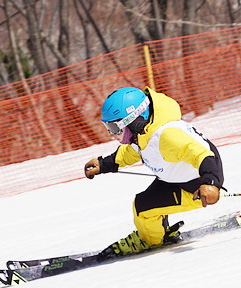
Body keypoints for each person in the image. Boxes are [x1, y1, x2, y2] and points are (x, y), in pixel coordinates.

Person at [84, 86, 224, 260]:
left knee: (143, 208)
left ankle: (151, 240)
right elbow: (132, 152)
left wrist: (210, 183)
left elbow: (202, 155)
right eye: (108, 127)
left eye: (114, 128)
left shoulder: (166, 136)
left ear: (134, 120)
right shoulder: (143, 133)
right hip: (175, 177)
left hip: (196, 189)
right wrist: (104, 164)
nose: (112, 134)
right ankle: (158, 231)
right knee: (143, 203)